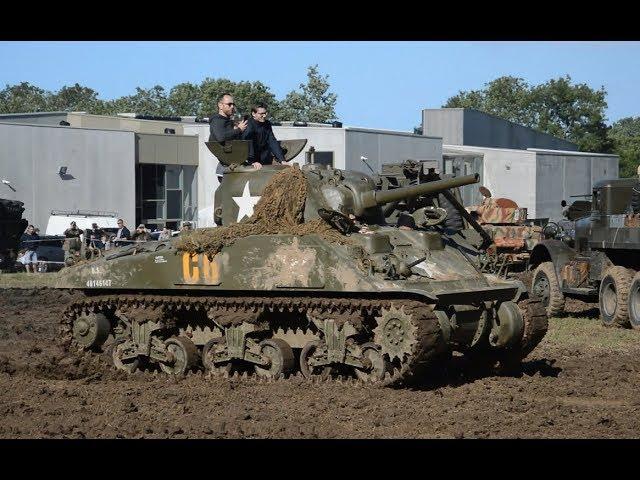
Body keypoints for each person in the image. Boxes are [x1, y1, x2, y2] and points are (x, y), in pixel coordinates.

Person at [241, 103, 289, 170]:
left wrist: (282, 160)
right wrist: (252, 161)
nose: (264, 116)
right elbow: (245, 144)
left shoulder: (267, 124)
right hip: (250, 161)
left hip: (264, 159)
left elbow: (272, 141)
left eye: (265, 113)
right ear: (253, 114)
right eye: (261, 114)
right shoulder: (248, 125)